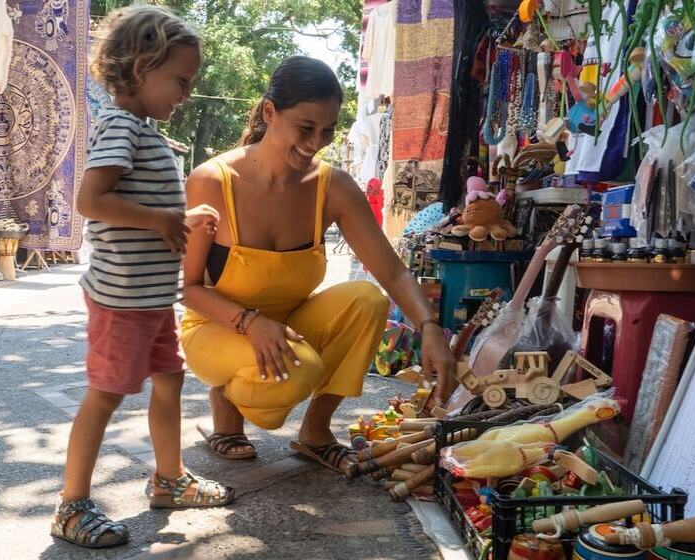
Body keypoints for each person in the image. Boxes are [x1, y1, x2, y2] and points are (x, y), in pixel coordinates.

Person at [181, 56, 458, 474]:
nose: (315, 142)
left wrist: (430, 329)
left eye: (327, 130)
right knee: (299, 372)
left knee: (367, 299)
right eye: (305, 128)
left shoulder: (334, 186)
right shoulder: (212, 180)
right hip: (218, 326)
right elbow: (187, 287)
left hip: (289, 325)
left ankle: (315, 432)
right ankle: (226, 402)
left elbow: (393, 271)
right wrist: (250, 324)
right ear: (270, 112)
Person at [51, 6, 233, 550]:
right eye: (180, 80)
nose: (186, 92)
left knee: (170, 382)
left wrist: (182, 219)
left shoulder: (145, 132)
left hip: (151, 300)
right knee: (104, 395)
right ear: (138, 68)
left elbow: (144, 201)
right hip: (122, 300)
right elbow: (91, 200)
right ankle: (72, 505)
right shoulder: (119, 127)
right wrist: (161, 220)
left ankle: (169, 479)